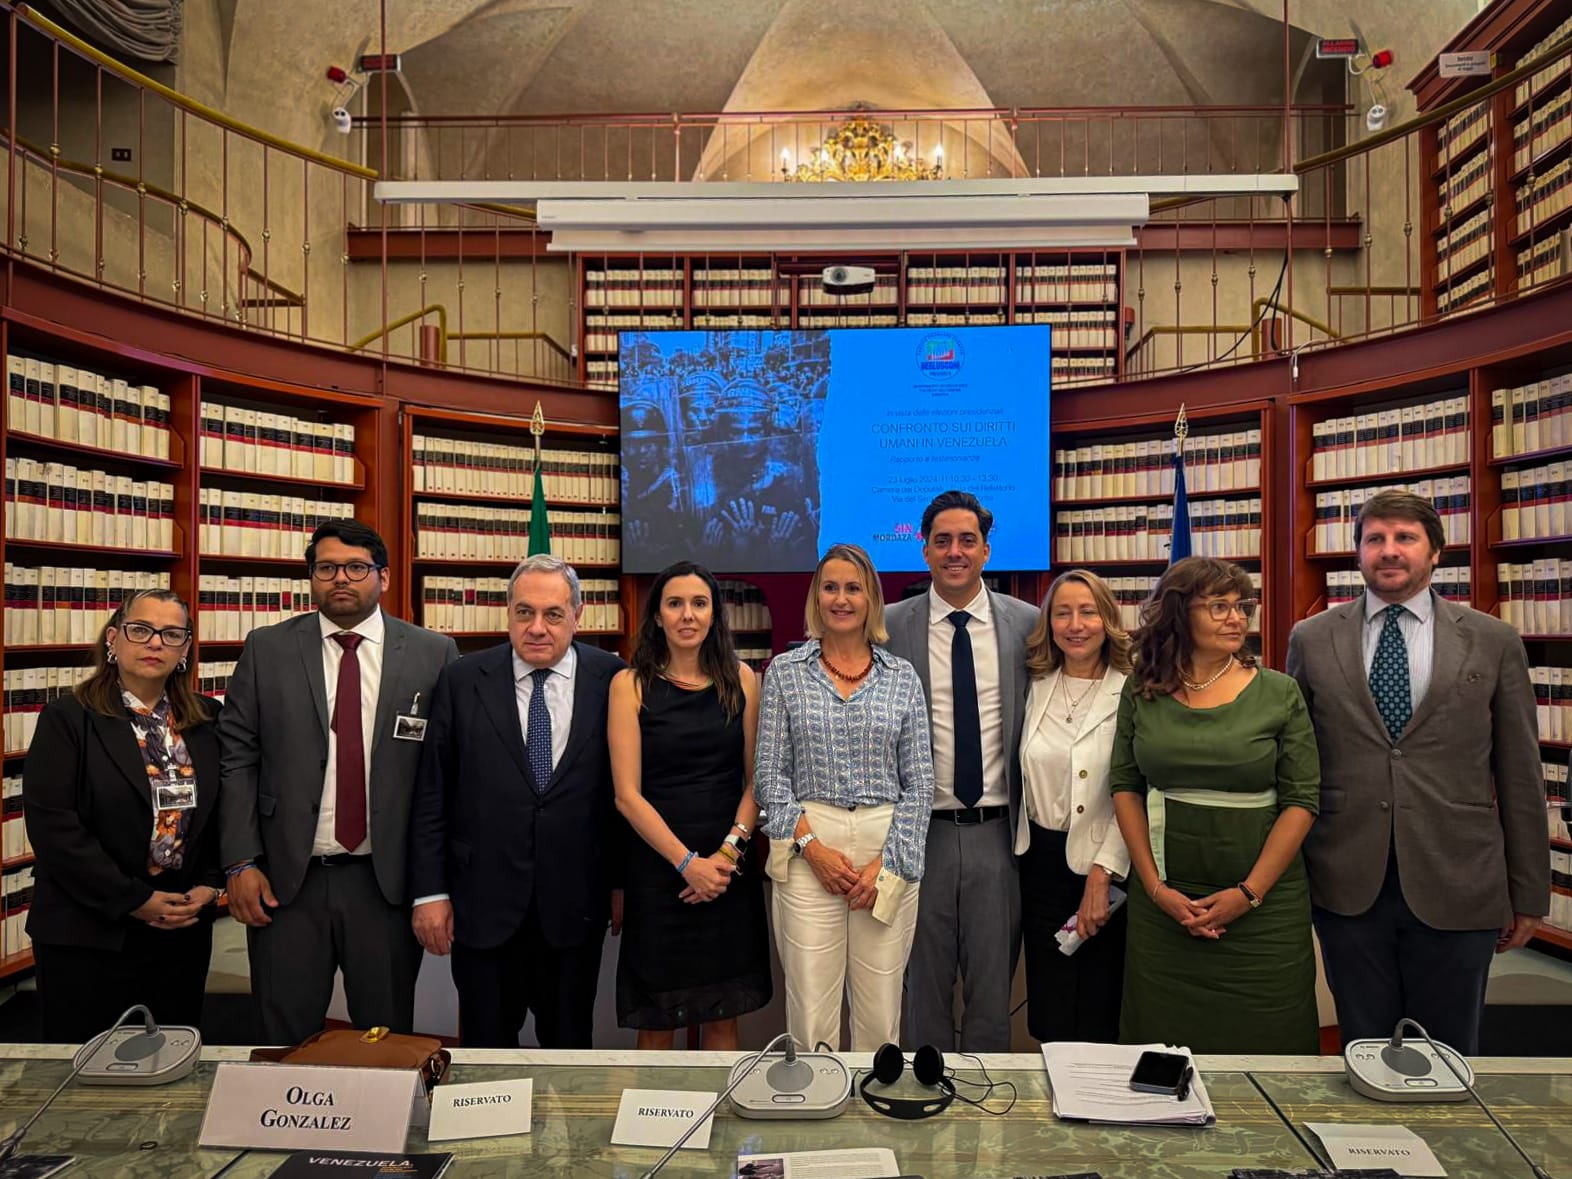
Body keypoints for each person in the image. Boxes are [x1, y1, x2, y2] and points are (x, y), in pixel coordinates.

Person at [1286, 489, 1546, 1054]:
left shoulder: (1493, 640)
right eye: (1375, 538)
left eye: (1405, 537)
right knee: (1363, 1049)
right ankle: (1370, 1148)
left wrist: (1530, 893)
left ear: (1435, 552)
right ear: (1357, 553)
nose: (1389, 550)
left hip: (1459, 880)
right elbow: (1297, 768)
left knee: (1450, 1056)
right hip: (1347, 882)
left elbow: (1521, 773)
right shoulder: (1311, 639)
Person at [219, 520, 458, 1044]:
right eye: (326, 568)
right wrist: (240, 861)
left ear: (384, 578)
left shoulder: (432, 654)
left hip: (385, 884)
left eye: (356, 568)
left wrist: (433, 885)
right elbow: (237, 758)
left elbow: (445, 775)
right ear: (311, 577)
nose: (340, 579)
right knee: (283, 1039)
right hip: (286, 884)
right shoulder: (267, 649)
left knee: (386, 1038)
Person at [408, 554, 626, 1048]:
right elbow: (432, 794)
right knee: (485, 1050)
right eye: (524, 612)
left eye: (553, 614)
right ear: (507, 613)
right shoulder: (463, 680)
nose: (537, 628)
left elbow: (622, 796)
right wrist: (430, 893)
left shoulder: (613, 679)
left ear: (578, 614)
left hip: (574, 907)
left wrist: (620, 883)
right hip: (481, 905)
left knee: (570, 1047)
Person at [1110, 556, 1320, 1054]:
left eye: (1242, 605)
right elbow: (1124, 785)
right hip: (1165, 908)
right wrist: (1156, 889)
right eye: (1219, 606)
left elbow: (1302, 799)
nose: (1237, 618)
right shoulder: (1142, 688)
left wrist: (1247, 895)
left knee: (1269, 1045)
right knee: (1160, 1052)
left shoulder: (1279, 691)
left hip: (1262, 909)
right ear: (1180, 614)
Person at [23, 589, 224, 1042]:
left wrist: (211, 885)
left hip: (180, 925)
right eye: (141, 630)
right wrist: (134, 899)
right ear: (113, 638)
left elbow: (222, 811)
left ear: (186, 649)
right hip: (90, 928)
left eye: (171, 634)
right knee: (88, 1076)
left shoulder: (208, 718)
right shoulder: (68, 718)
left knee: (171, 1065)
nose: (155, 643)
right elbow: (55, 829)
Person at [755, 543, 934, 1050]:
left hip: (887, 849)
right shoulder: (786, 674)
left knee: (880, 1009)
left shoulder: (902, 678)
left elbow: (920, 782)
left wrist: (889, 865)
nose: (841, 599)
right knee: (811, 1006)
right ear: (816, 597)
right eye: (830, 587)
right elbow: (770, 778)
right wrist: (813, 849)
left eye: (853, 588)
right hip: (809, 848)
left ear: (871, 599)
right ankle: (814, 1116)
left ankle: (875, 1119)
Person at [883, 490, 1038, 1052]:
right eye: (942, 540)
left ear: (986, 550)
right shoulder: (888, 626)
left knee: (992, 993)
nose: (955, 551)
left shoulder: (1028, 625)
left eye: (966, 540)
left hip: (999, 836)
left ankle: (986, 1119)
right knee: (919, 990)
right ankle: (923, 1109)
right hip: (917, 836)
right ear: (923, 549)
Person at [608, 561, 772, 1048]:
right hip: (660, 874)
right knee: (658, 1022)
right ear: (657, 616)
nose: (687, 615)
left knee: (723, 1019)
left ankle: (720, 1123)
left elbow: (755, 779)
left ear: (714, 614)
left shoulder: (742, 679)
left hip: (727, 873)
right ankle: (656, 1127)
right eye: (674, 604)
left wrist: (724, 858)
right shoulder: (630, 685)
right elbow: (626, 795)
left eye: (699, 604)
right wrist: (686, 864)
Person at [1016, 569, 1132, 1044]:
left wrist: (1101, 875)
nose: (1075, 624)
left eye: (1087, 612)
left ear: (1107, 619)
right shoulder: (1034, 685)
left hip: (1106, 867)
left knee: (1100, 1001)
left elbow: (1138, 792)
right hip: (1038, 863)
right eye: (1062, 613)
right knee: (1050, 1002)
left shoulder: (1133, 690)